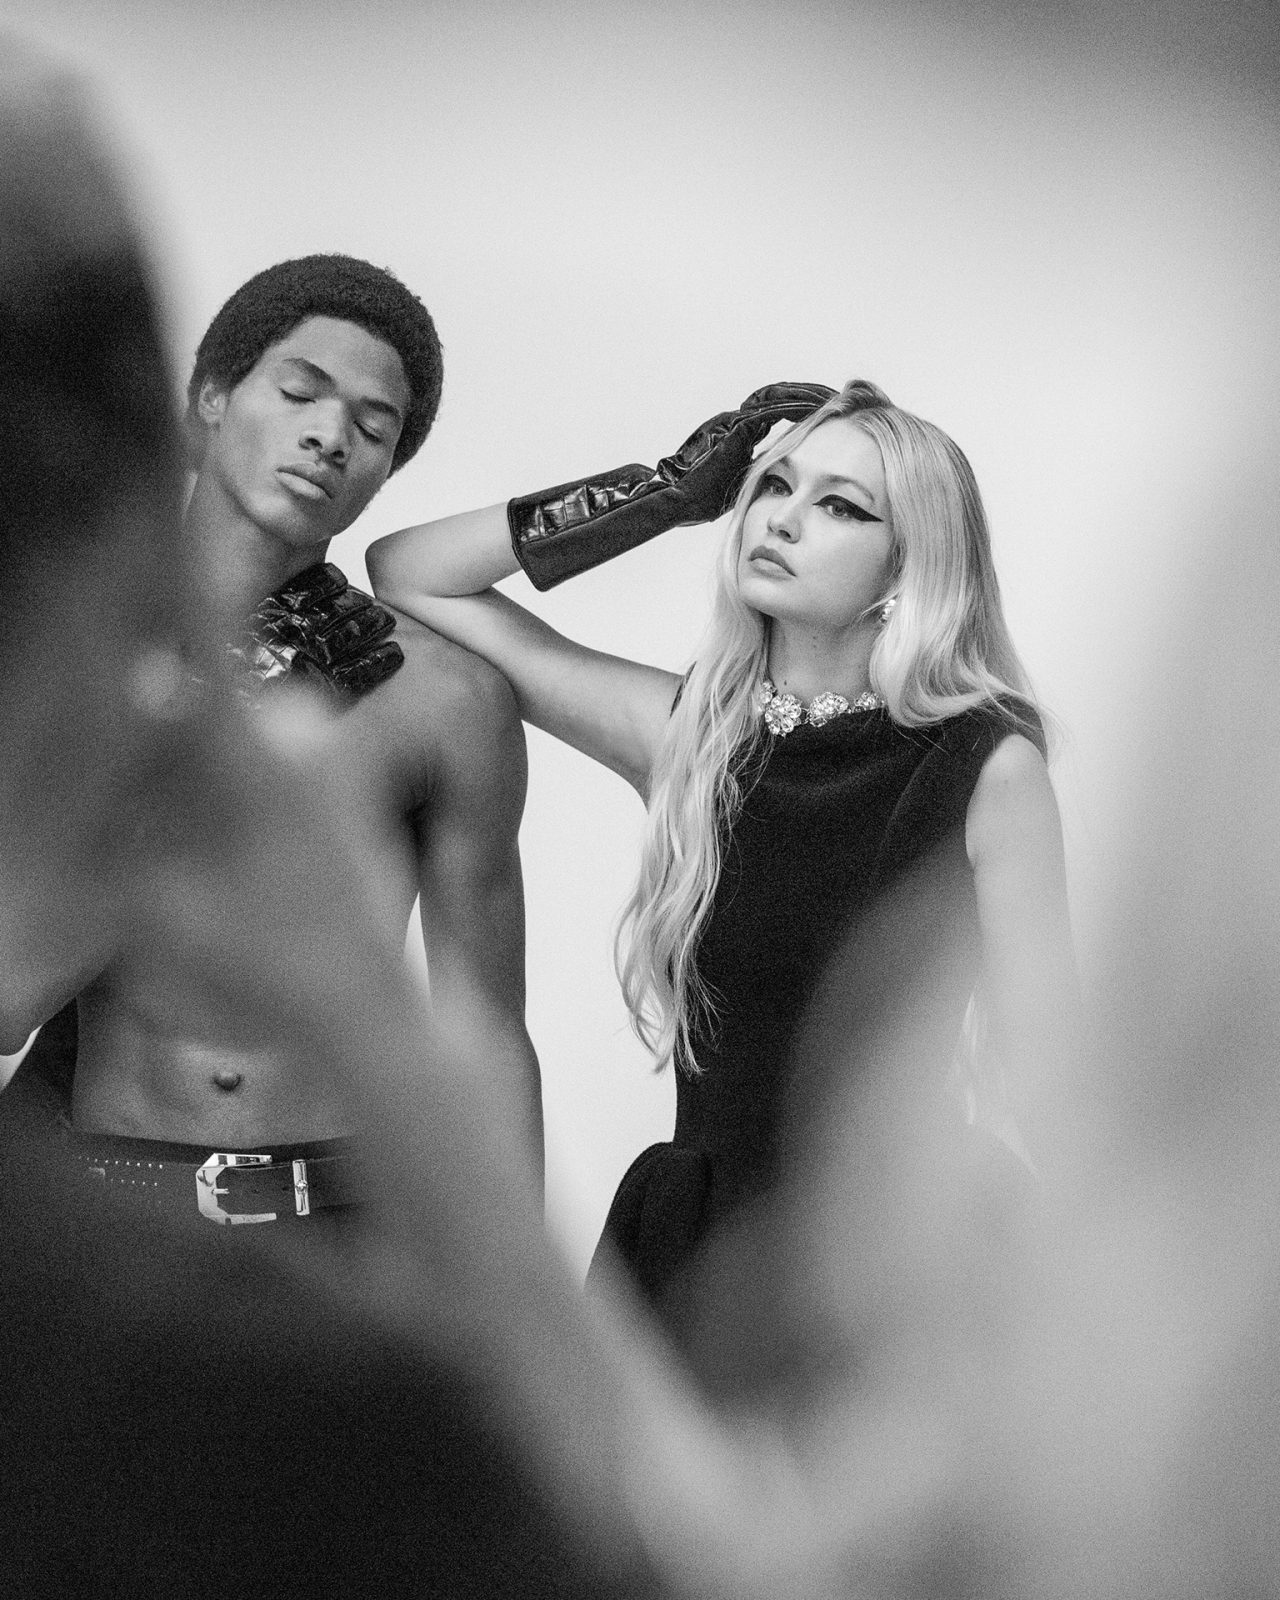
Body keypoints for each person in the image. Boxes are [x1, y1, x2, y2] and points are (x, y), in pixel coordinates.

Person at [367, 378, 1078, 1336]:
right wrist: (660, 493)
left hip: (895, 1258)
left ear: (908, 567)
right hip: (698, 1245)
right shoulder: (691, 739)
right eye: (774, 485)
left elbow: (1050, 1073)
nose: (780, 519)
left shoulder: (986, 767)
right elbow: (408, 571)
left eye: (841, 506)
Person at [10, 248, 545, 1216]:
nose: (329, 436)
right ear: (210, 399)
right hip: (100, 1219)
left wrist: (509, 1305)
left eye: (371, 428)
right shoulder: (65, 658)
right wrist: (186, 724)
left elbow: (486, 1040)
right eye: (300, 392)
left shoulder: (443, 698)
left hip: (333, 1228)